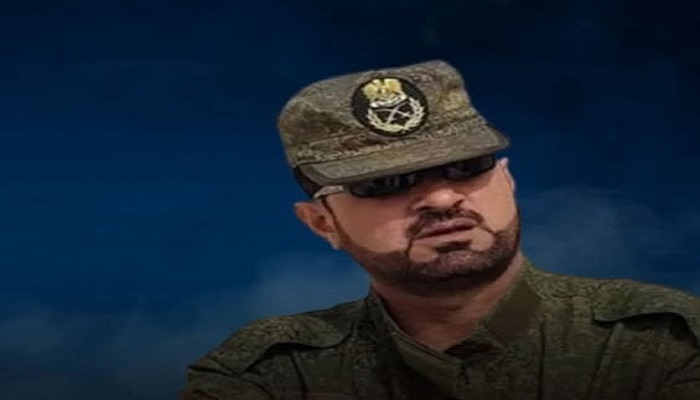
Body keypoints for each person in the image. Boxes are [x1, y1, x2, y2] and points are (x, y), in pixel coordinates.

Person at [180, 60, 700, 400]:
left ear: (507, 180)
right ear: (322, 222)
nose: (443, 198)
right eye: (386, 183)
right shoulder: (269, 376)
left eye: (466, 167)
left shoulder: (660, 344)